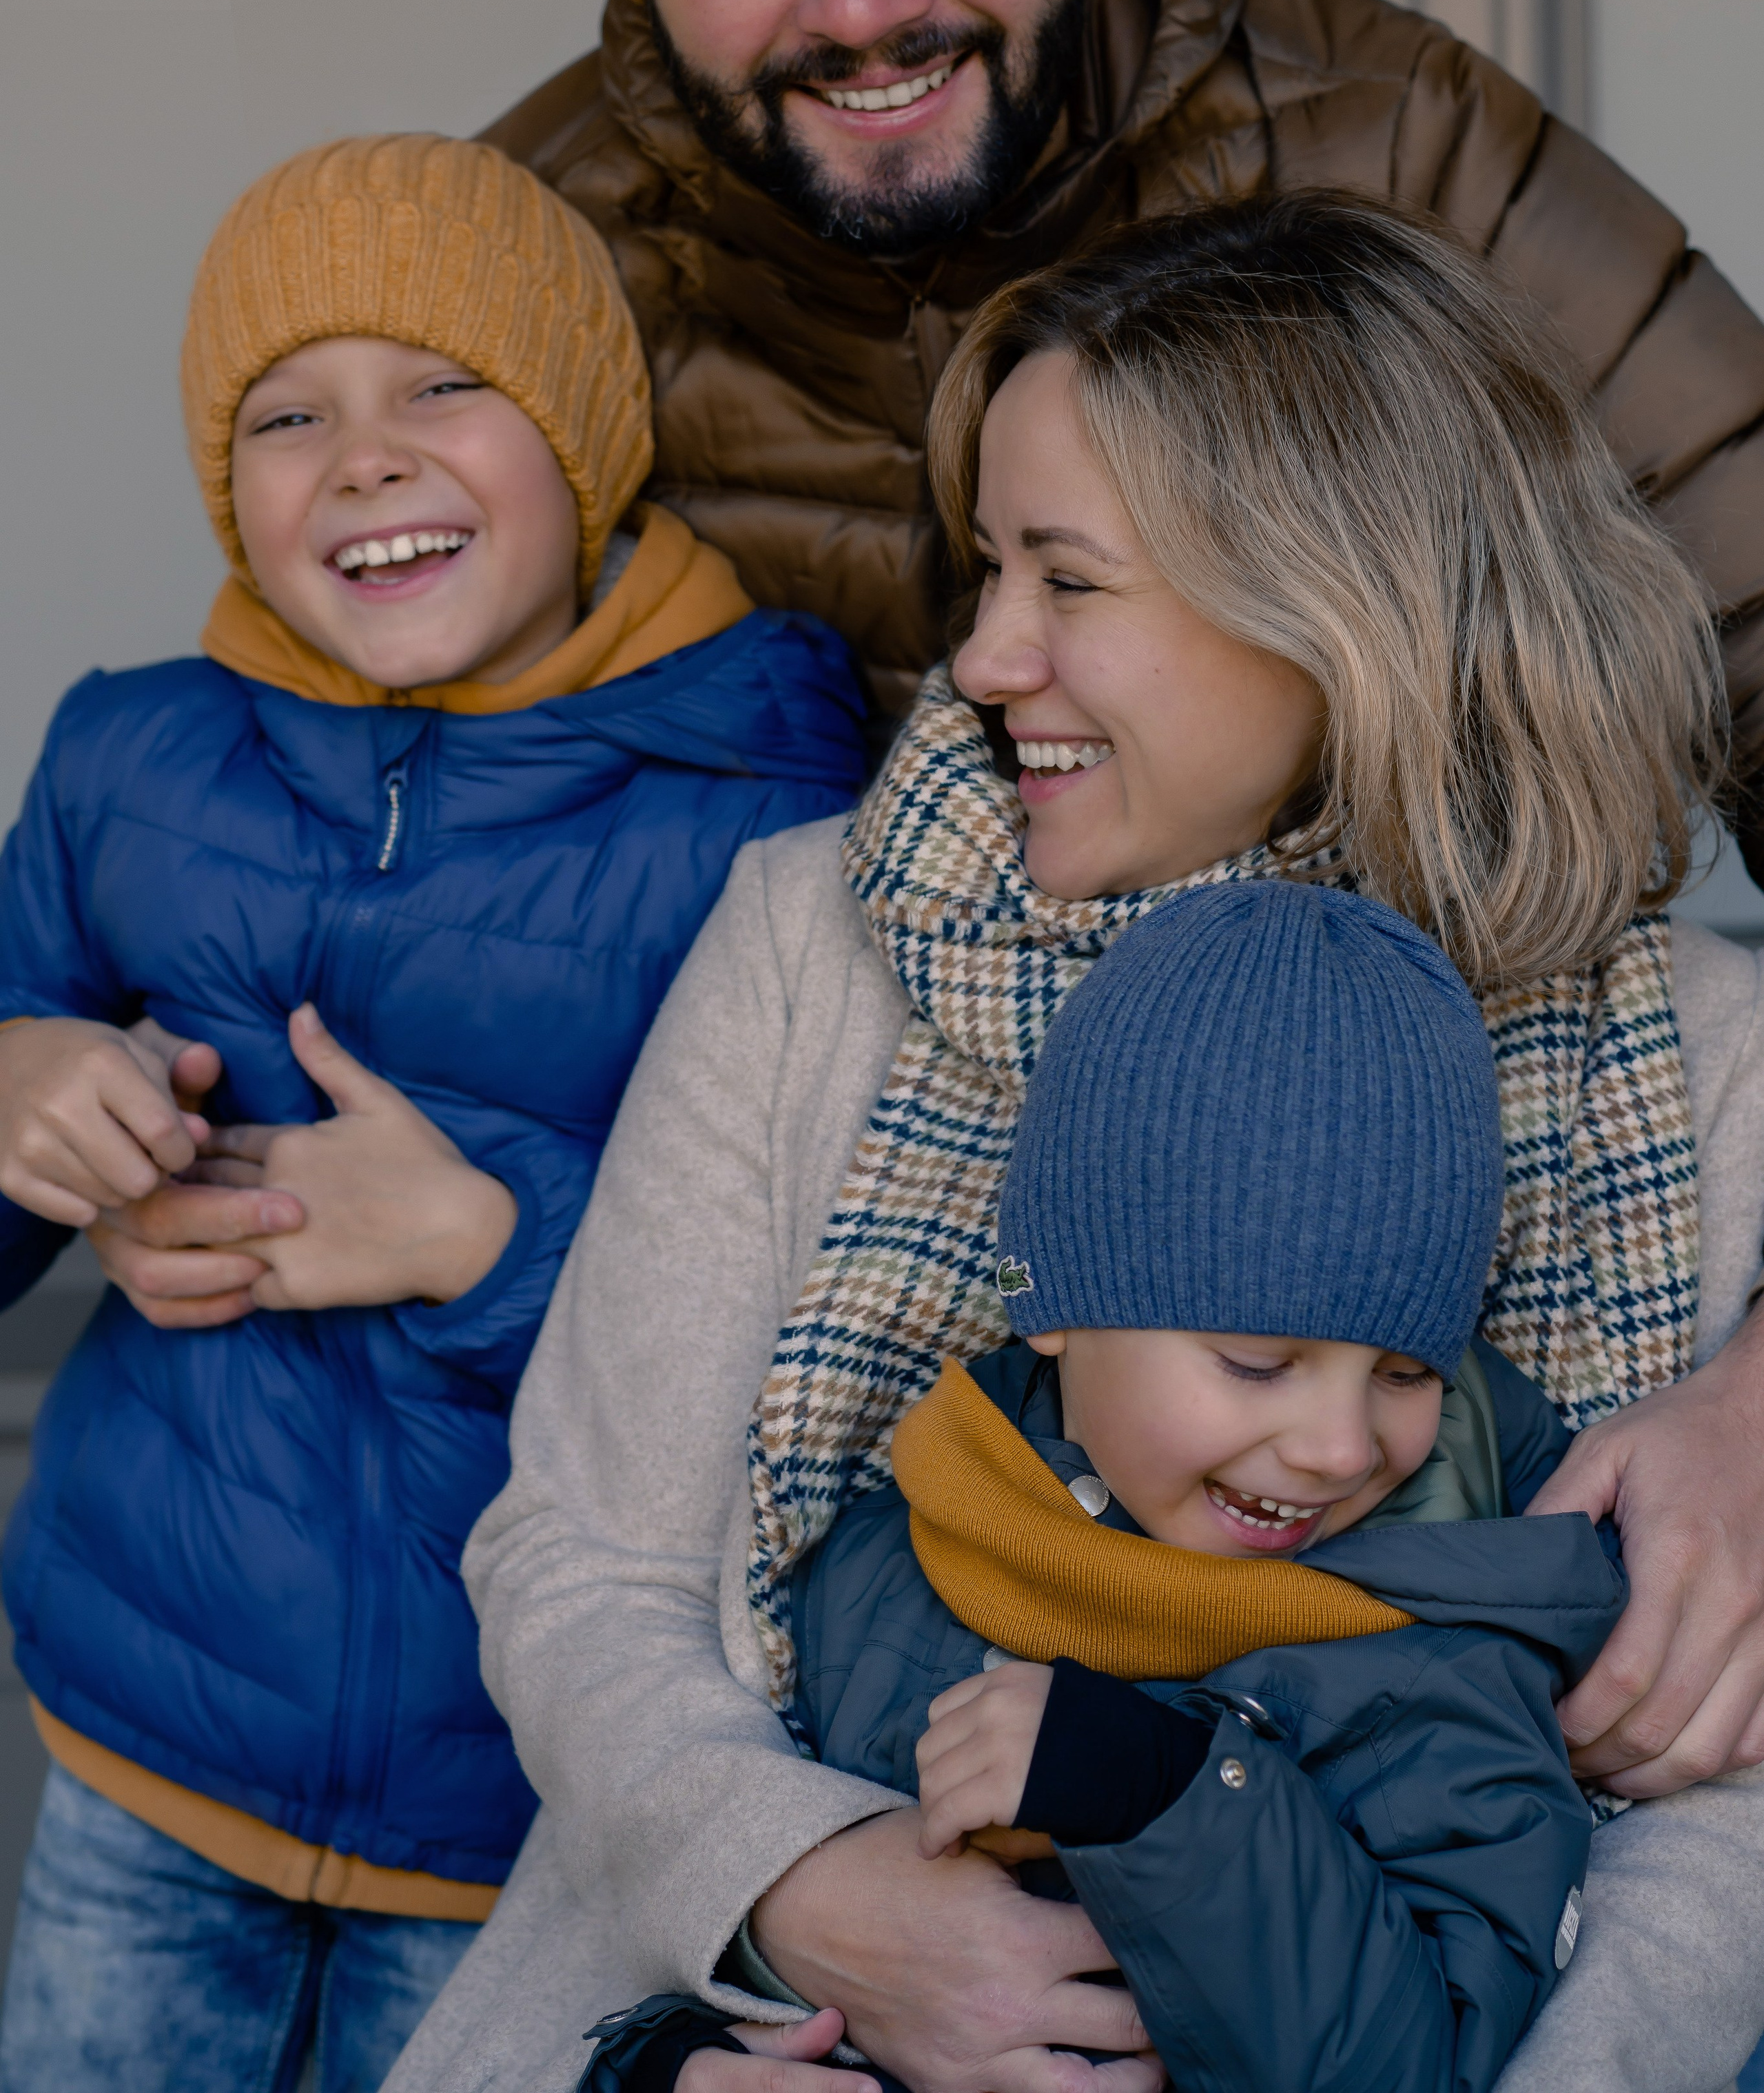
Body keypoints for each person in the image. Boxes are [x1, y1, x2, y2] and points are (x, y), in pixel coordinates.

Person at [382, 196, 1764, 2093]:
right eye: (987, 570)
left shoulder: (1675, 1052)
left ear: (1335, 595)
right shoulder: (820, 941)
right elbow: (584, 1565)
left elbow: (1711, 1789)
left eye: (1067, 579)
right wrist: (809, 1889)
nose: (982, 658)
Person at [482, 0, 1764, 881]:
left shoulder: (1391, 143)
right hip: (782, 1054)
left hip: (1358, 1019)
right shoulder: (528, 244)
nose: (858, 2)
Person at [0, 132, 865, 2092]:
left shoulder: (776, 811)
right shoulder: (129, 751)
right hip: (143, 1737)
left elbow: (843, 1322)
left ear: (587, 433)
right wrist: (19, 1085)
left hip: (535, 1819)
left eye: (445, 385)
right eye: (289, 413)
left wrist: (489, 1240)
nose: (365, 457)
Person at [591, 879, 1627, 2093]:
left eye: (1407, 1374)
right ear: (1058, 1310)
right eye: (1257, 1361)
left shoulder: (1448, 1665)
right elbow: (825, 1968)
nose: (1341, 1449)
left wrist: (1171, 1793)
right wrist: (676, 2060)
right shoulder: (885, 1563)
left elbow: (1418, 2065)